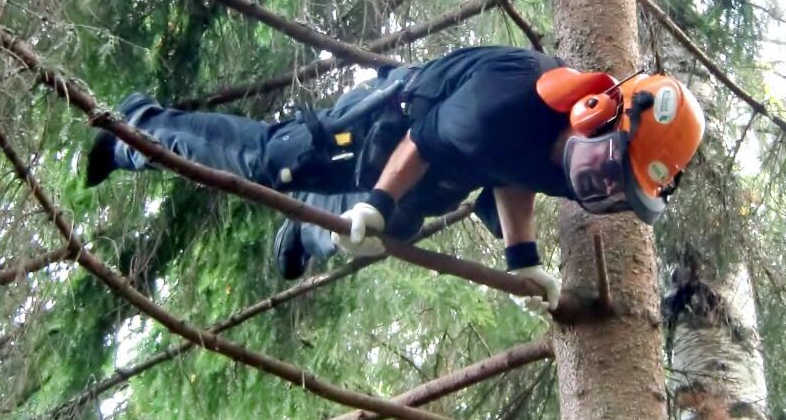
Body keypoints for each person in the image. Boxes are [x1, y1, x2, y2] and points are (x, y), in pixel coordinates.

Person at [85, 46, 705, 309]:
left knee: (390, 229)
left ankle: (306, 232)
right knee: (270, 162)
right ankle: (137, 131)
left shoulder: (576, 158)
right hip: (386, 129)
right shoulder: (501, 104)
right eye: (610, 166)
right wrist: (378, 199)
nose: (600, 184)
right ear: (596, 111)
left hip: (440, 176)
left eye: (616, 185)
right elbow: (422, 141)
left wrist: (523, 259)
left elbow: (512, 169)